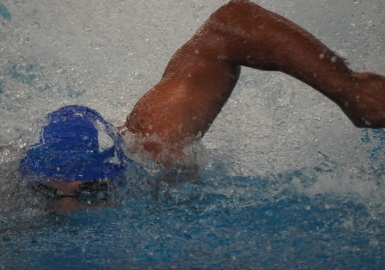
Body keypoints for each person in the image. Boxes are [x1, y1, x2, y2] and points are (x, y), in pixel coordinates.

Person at [20, 0, 385, 210]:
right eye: (46, 191)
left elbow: (229, 24)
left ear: (120, 178)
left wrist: (347, 89)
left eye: (90, 190)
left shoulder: (155, 147)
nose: (66, 209)